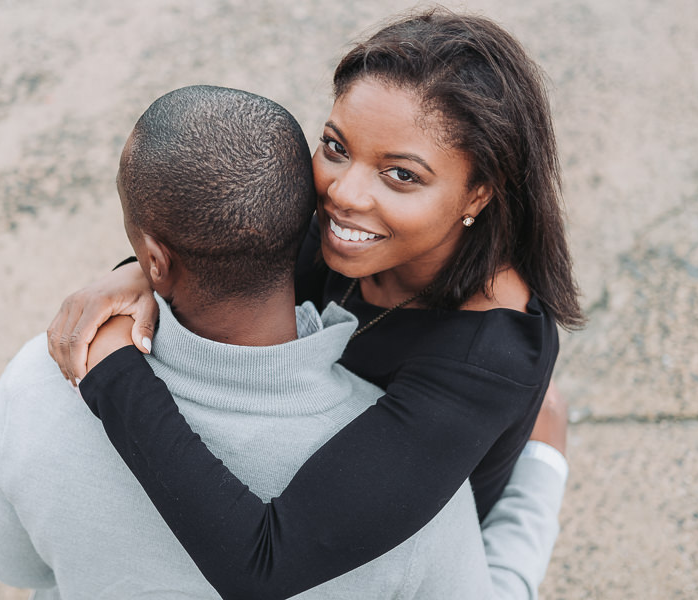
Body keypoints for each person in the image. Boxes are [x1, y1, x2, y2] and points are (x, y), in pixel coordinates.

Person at [50, 9, 582, 599]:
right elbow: (226, 254)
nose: (343, 194)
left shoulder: (490, 360)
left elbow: (264, 564)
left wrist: (111, 365)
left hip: (421, 554)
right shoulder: (334, 219)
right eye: (335, 146)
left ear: (478, 193)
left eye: (401, 175)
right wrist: (142, 275)